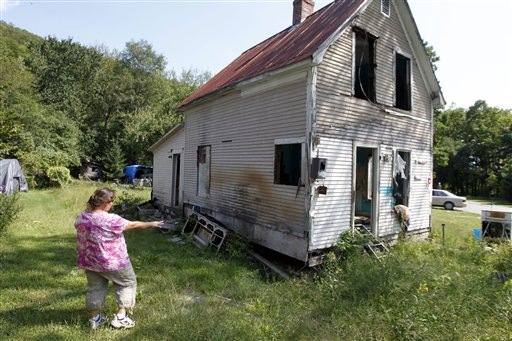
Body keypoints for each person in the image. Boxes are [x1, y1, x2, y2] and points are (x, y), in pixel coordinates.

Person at [74, 187, 163, 330]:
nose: (111, 205)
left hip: (90, 262)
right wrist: (152, 224)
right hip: (113, 262)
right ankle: (121, 317)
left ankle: (95, 319)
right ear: (105, 203)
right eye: (111, 202)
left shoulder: (82, 217)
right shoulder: (110, 219)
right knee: (127, 283)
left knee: (95, 288)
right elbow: (133, 225)